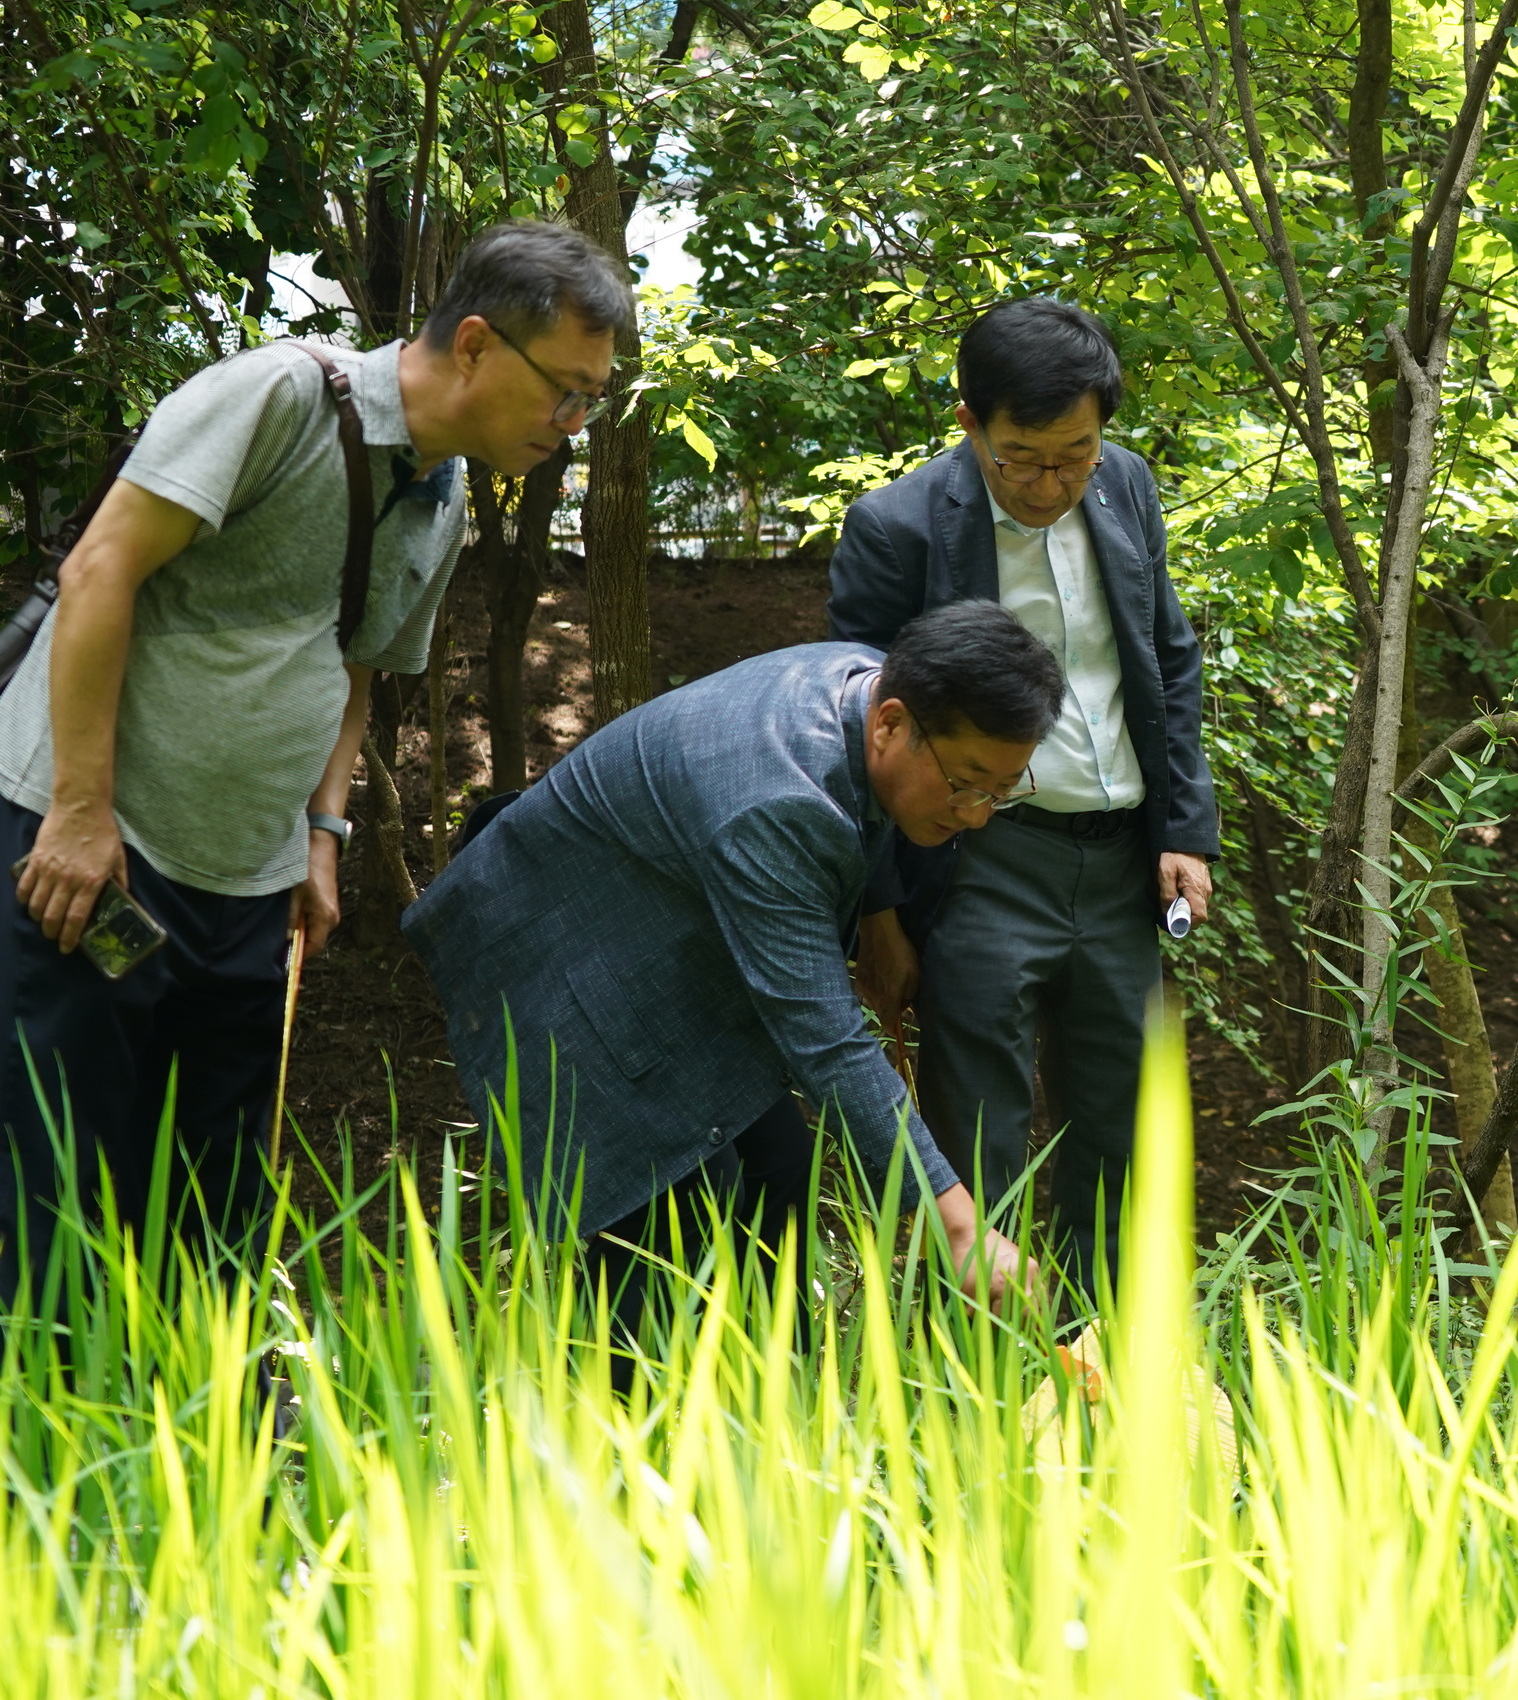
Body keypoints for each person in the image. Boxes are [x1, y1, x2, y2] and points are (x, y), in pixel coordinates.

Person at [0, 220, 630, 1295]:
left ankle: (204, 1430)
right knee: (55, 1175)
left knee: (214, 1187)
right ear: (474, 344)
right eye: (565, 391)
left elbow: (356, 666)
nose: (572, 425)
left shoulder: (443, 491)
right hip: (101, 850)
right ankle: (52, 1442)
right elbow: (102, 568)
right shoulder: (277, 398)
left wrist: (324, 834)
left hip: (248, 879)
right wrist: (77, 808)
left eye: (591, 401)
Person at [405, 602, 1058, 1324]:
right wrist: (959, 1226)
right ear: (891, 723)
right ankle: (621, 1419)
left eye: (1001, 790)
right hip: (557, 956)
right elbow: (825, 1039)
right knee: (665, 1237)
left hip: (656, 934)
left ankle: (762, 1408)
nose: (975, 814)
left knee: (778, 1182)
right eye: (966, 782)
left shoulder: (856, 681)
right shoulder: (776, 800)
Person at [828, 298, 1219, 1298]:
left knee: (1127, 1121)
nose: (1051, 482)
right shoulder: (899, 529)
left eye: (1075, 454)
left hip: (1125, 855)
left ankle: (1110, 1364)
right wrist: (880, 909)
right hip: (980, 856)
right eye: (1023, 457)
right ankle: (978, 1380)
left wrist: (1183, 827)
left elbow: (1167, 661)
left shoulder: (1124, 488)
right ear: (969, 422)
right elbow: (862, 734)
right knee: (980, 1126)